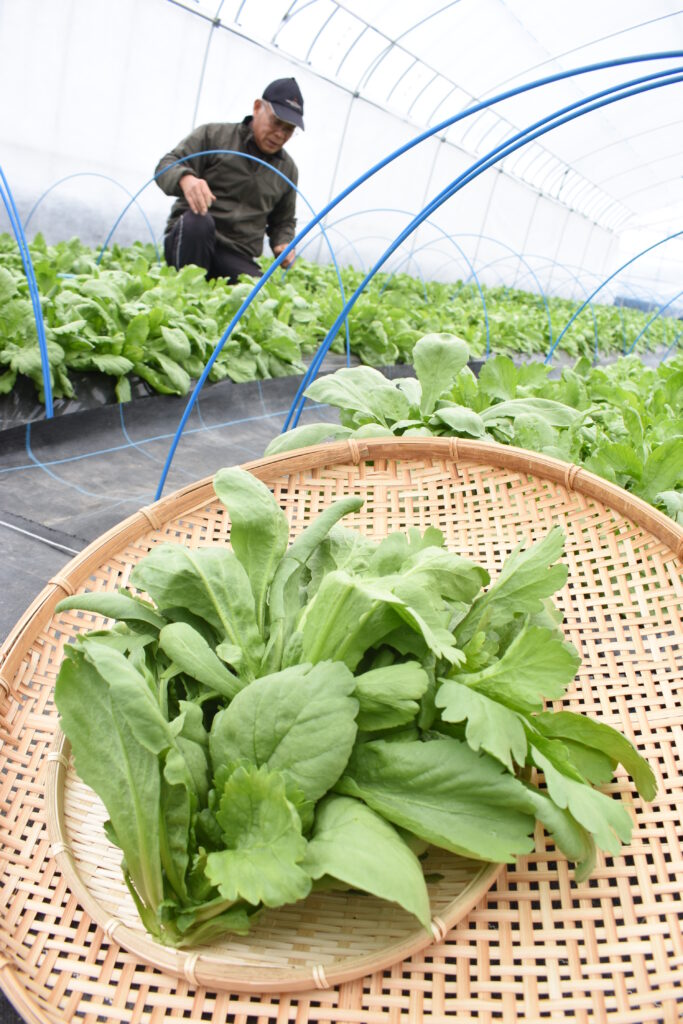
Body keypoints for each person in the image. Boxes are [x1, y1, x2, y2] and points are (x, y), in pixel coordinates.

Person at [155, 78, 304, 283]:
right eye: (276, 122)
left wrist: (284, 242)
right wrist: (185, 178)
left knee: (256, 295)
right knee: (198, 223)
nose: (280, 134)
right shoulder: (214, 136)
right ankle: (184, 288)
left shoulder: (287, 170)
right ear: (257, 107)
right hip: (193, 238)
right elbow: (166, 165)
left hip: (236, 254)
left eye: (288, 129)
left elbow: (283, 221)